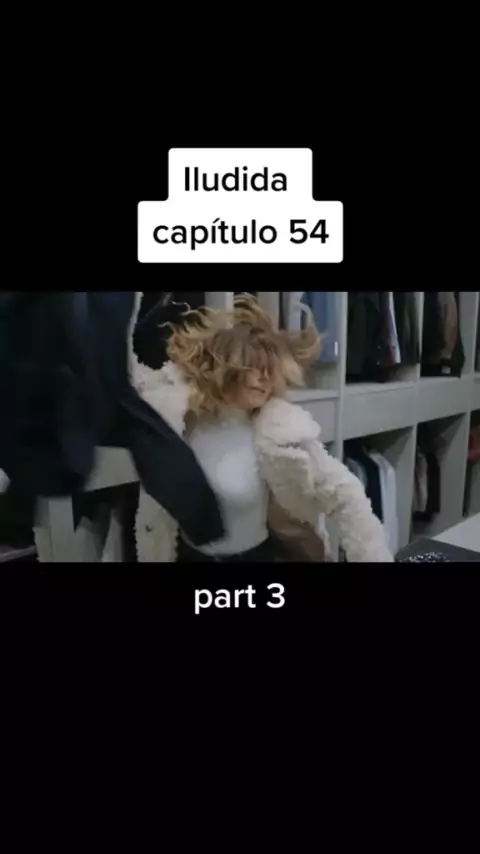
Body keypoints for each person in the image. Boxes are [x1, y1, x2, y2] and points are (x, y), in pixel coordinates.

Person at [129, 294, 394, 563]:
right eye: (253, 367)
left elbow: (344, 493)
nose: (264, 378)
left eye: (270, 369)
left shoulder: (281, 435)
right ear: (226, 366)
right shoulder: (179, 421)